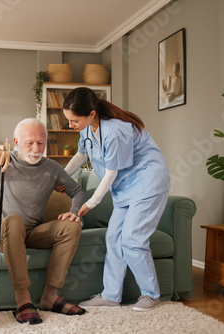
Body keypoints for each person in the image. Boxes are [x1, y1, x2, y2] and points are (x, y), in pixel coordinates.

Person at [0, 118, 87, 324]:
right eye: (29, 142)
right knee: (14, 221)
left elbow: (78, 192)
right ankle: (23, 300)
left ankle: (50, 296)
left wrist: (75, 212)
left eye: (40, 143)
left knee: (72, 226)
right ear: (16, 141)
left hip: (30, 232)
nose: (35, 148)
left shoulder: (52, 168)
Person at [61, 87, 170, 312]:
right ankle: (111, 295)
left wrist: (90, 203)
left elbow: (112, 172)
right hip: (125, 189)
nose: (71, 125)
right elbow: (81, 155)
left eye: (74, 120)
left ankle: (151, 295)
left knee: (132, 239)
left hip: (147, 184)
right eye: (69, 120)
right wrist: (60, 177)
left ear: (91, 113)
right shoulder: (88, 129)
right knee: (113, 238)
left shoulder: (116, 130)